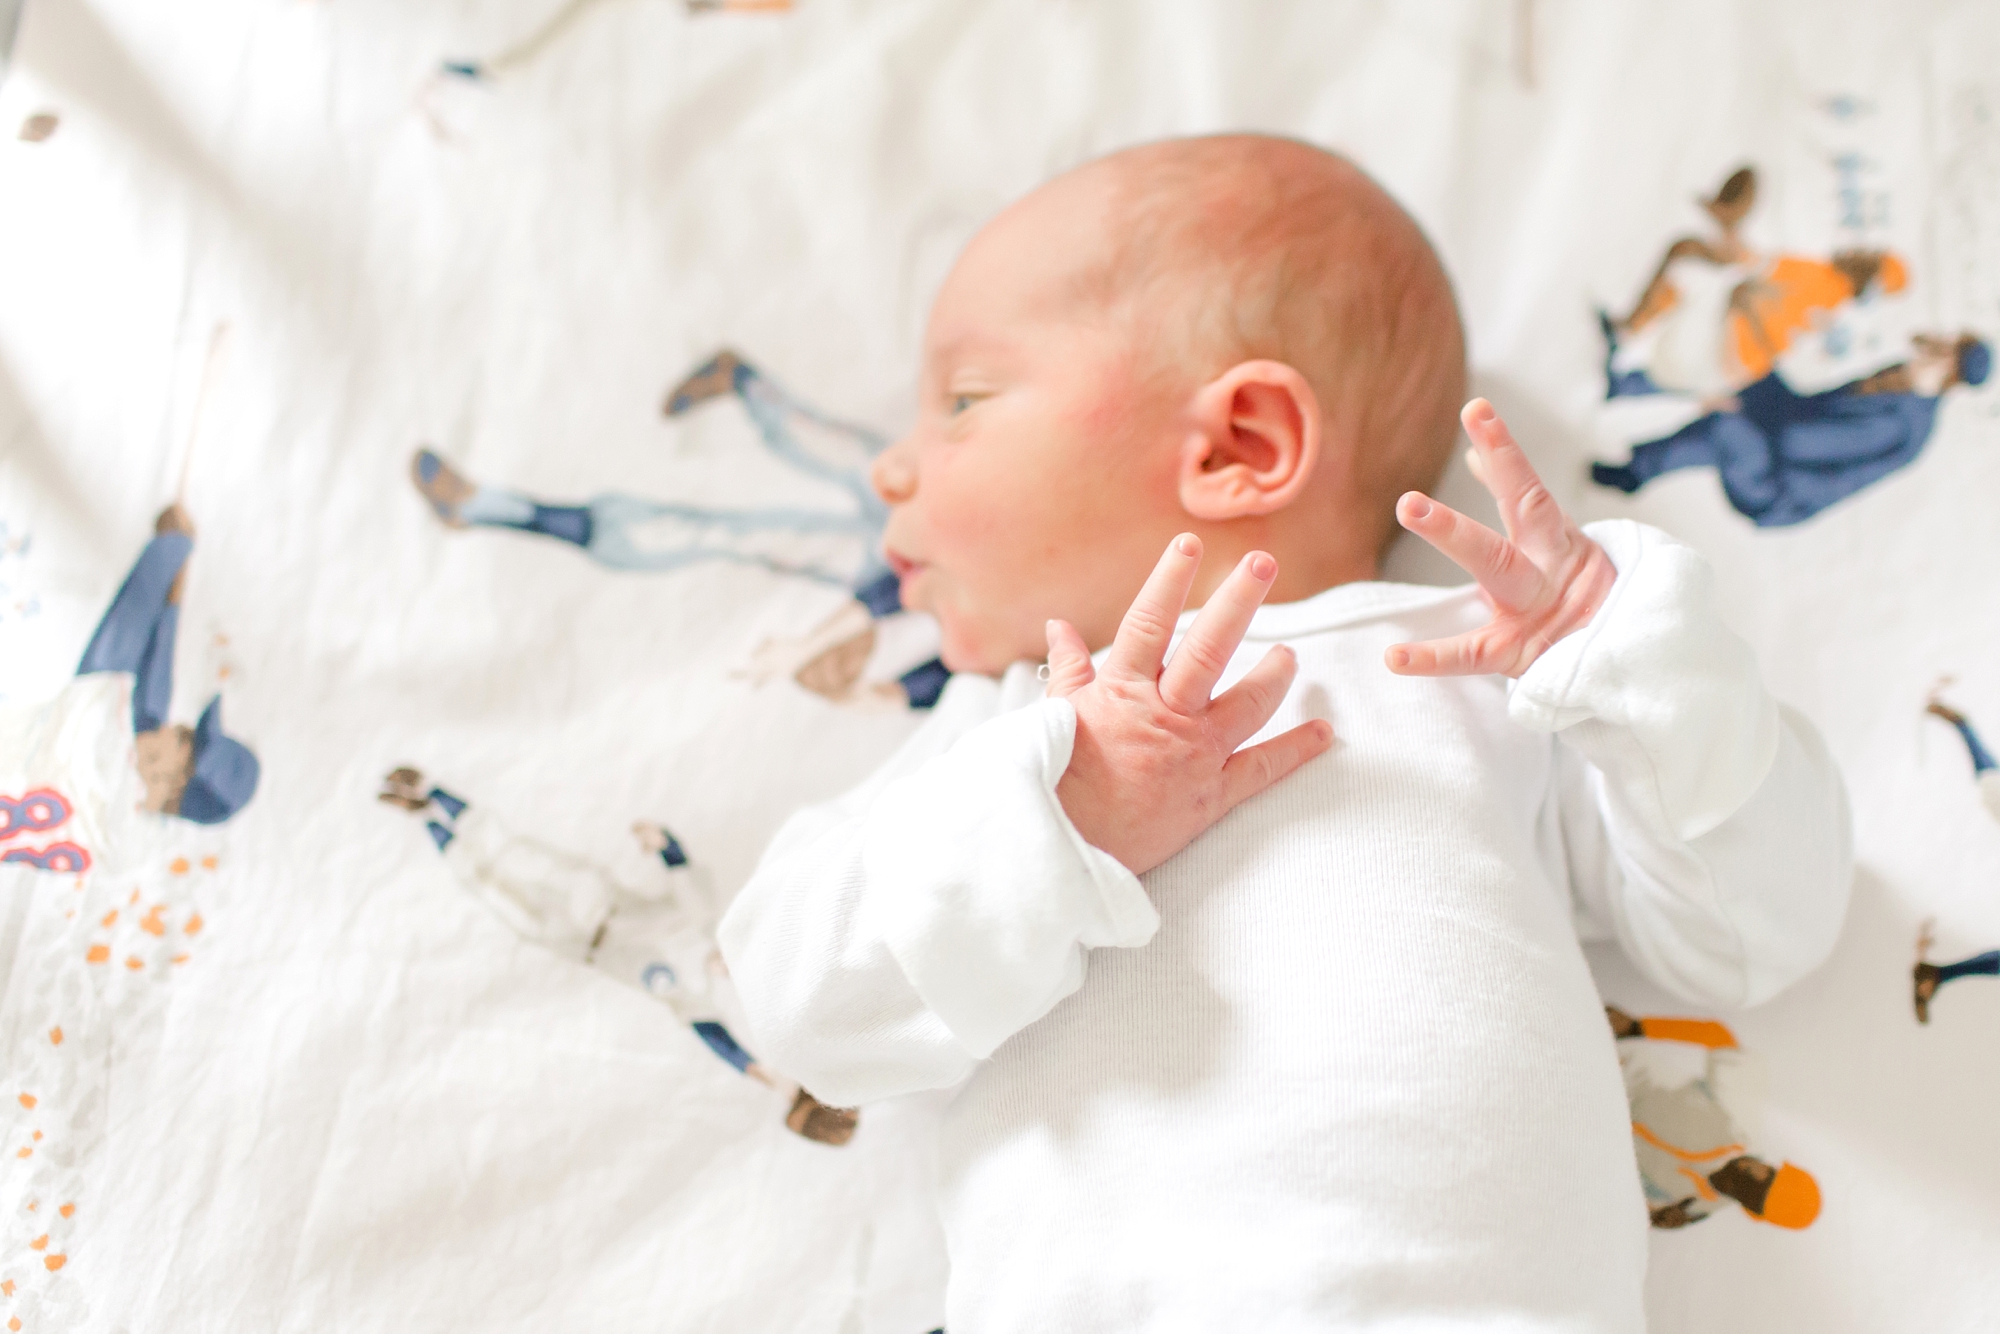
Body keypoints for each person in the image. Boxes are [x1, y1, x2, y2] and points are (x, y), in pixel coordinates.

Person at [716, 135, 1852, 1331]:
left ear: (1237, 446)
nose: (893, 464)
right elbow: (799, 999)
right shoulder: (1005, 738)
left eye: (964, 400)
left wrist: (1639, 672)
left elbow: (1756, 935)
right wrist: (1061, 811)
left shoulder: (1495, 673)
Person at [411, 350, 950, 709]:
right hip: (943, 509)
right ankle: (742, 381)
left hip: (903, 558)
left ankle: (495, 509)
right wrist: (816, 648)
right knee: (848, 456)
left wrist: (874, 692)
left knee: (731, 534)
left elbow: (948, 639)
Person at [375, 768, 856, 1145]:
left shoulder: (701, 1001)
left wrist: (767, 1077)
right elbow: (681, 870)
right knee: (511, 856)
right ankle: (436, 794)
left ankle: (423, 818)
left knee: (490, 888)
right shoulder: (705, 925)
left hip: (576, 941)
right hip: (592, 899)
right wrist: (660, 842)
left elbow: (722, 1042)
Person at [0, 506, 259, 876]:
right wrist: (174, 592)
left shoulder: (102, 742)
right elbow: (151, 690)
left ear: (175, 776)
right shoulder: (117, 837)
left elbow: (123, 639)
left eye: (186, 735)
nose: (175, 727)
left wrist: (170, 549)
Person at [1591, 331, 1992, 526]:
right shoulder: (1899, 387)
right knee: (1742, 376)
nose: (1937, 346)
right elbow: (1807, 409)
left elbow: (1801, 443)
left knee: (1726, 429)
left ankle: (1634, 472)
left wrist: (1748, 405)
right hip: (1778, 448)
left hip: (1778, 488)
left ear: (1950, 370)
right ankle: (1629, 388)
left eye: (1948, 350)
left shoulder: (1902, 422)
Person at [1604, 1006, 1821, 1230]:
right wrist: (1637, 1027)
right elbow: (1717, 1035)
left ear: (1753, 1209)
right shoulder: (1740, 1114)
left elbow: (1635, 1200)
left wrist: (1658, 1217)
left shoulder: (1696, 1207)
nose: (1754, 1172)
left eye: (1756, 1191)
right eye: (1768, 1174)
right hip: (1611, 1064)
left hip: (1589, 1132)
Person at [1924, 689, 2000, 820]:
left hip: (1988, 779)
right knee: (1975, 746)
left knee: (1975, 747)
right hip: (1990, 778)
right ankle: (1959, 721)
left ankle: (1959, 721)